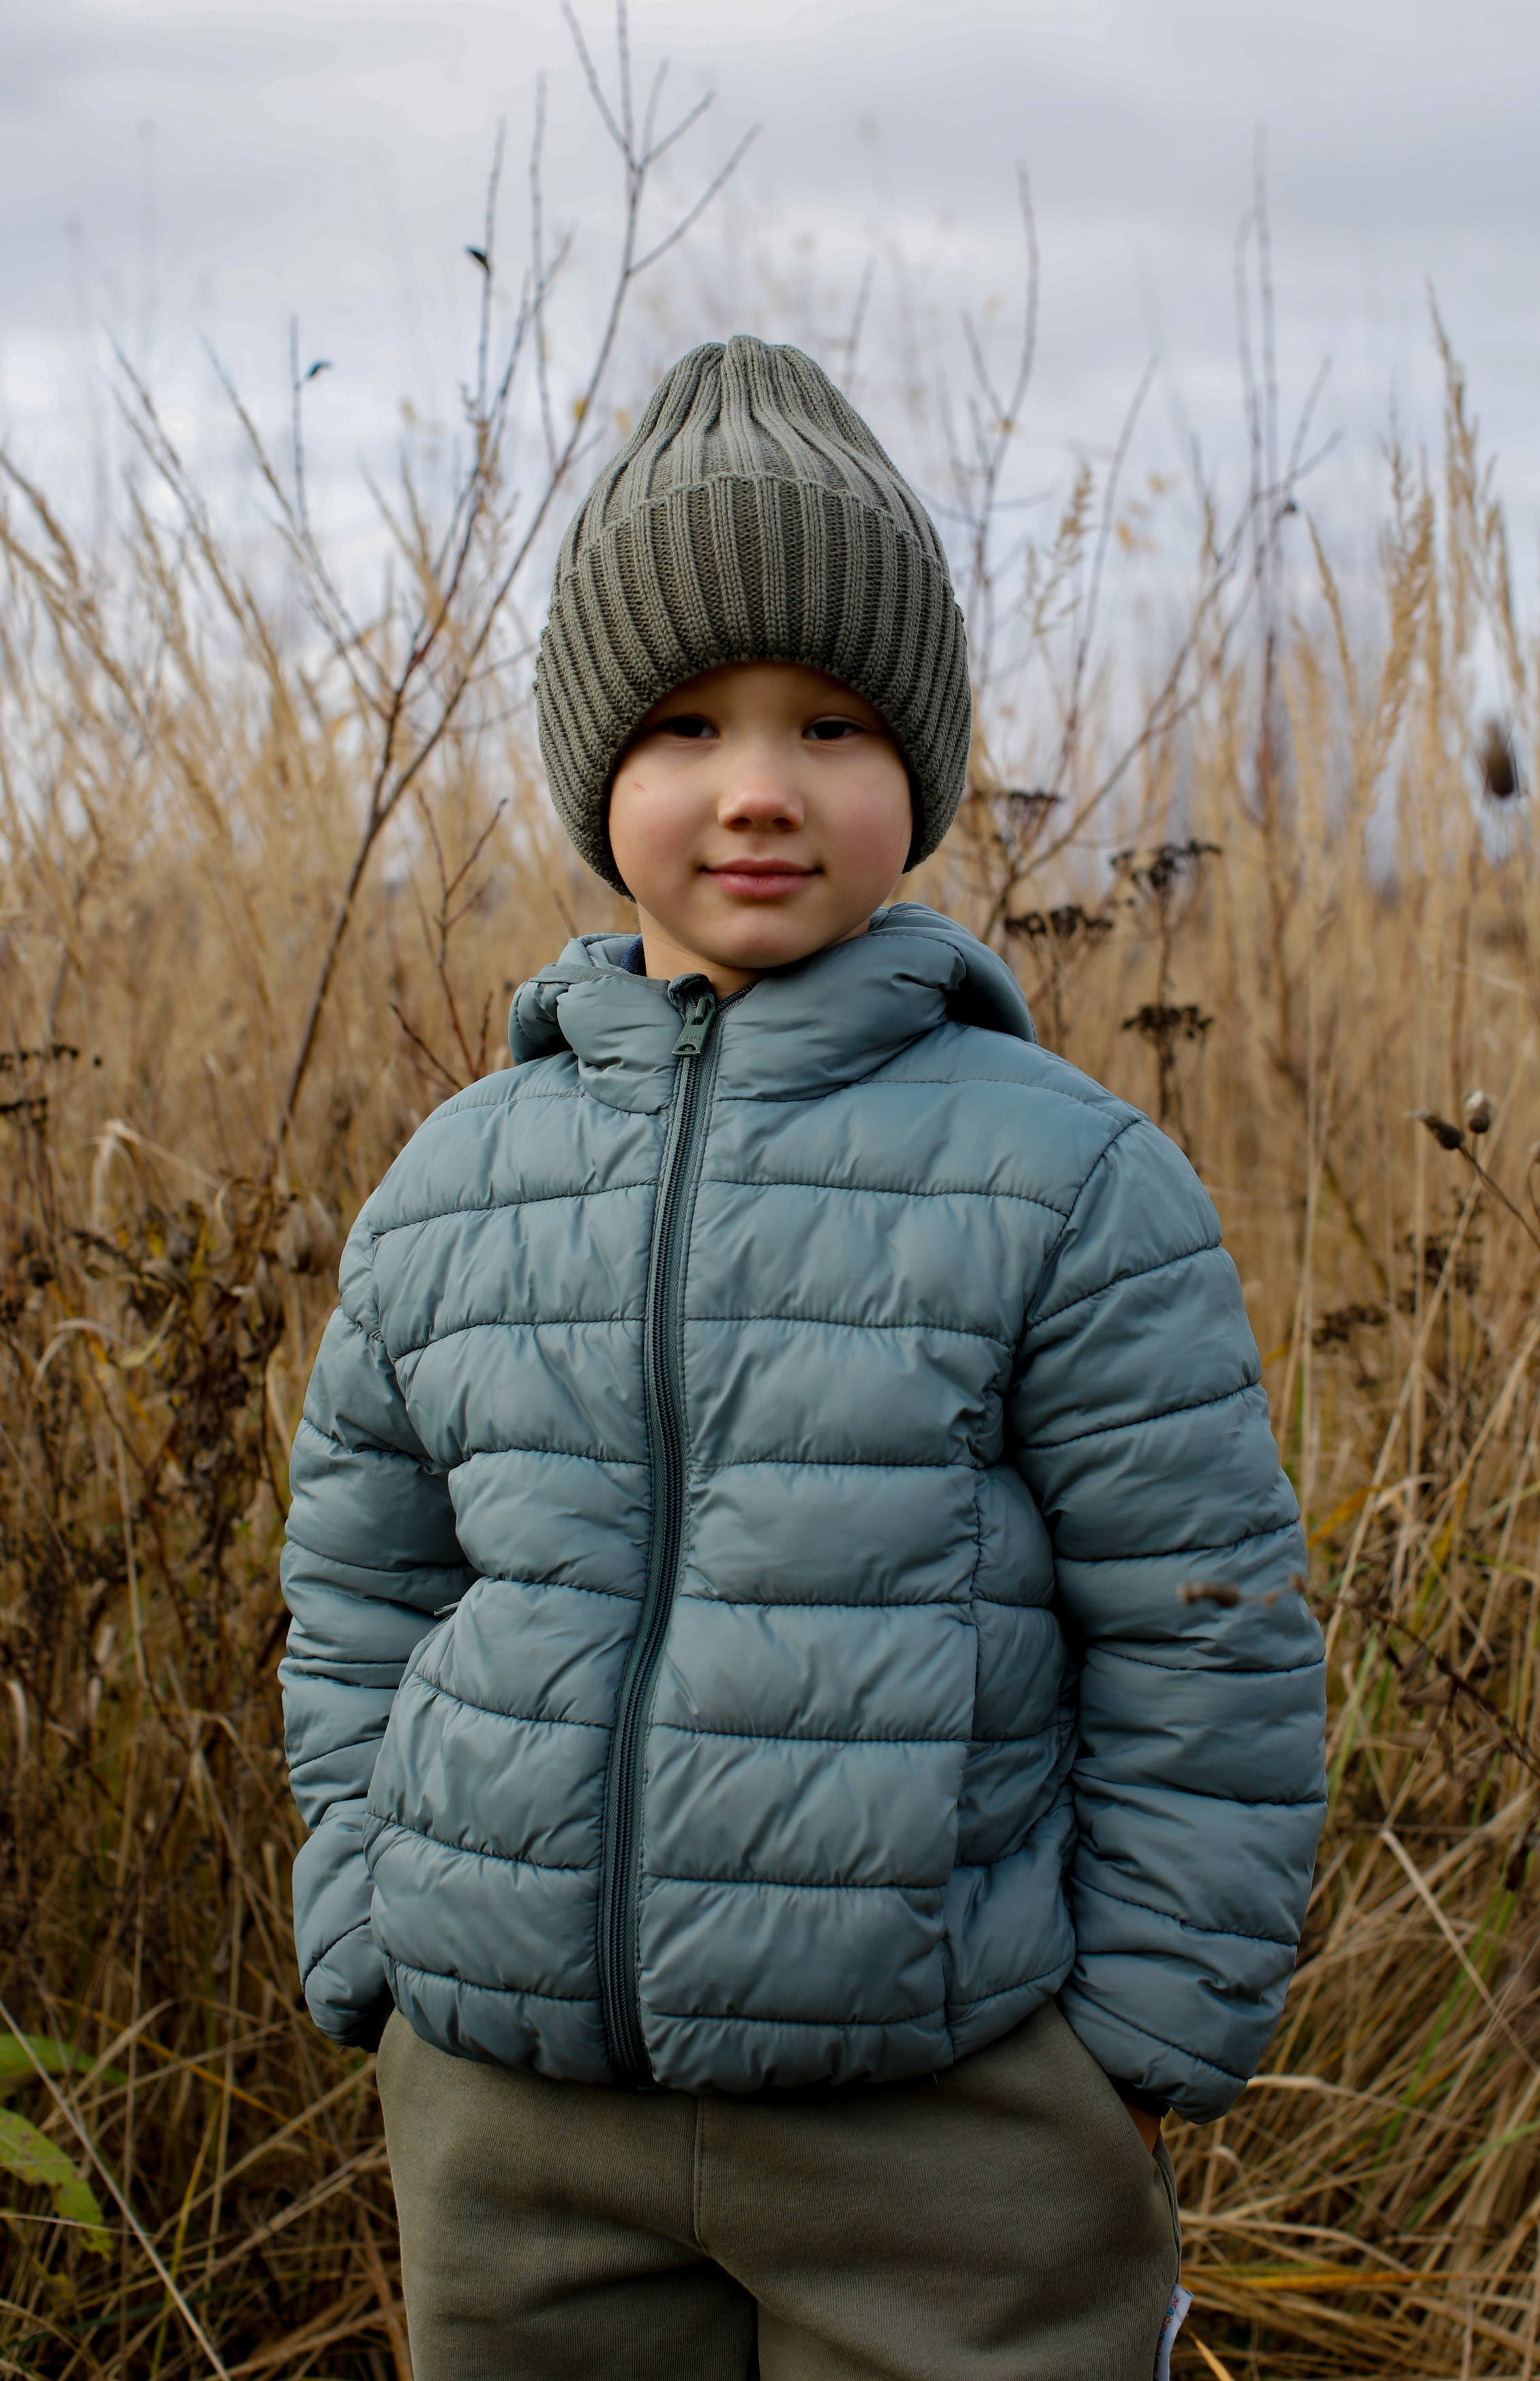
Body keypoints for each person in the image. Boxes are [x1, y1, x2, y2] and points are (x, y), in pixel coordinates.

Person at [280, 335, 1326, 2381]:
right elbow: (362, 1591)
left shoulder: (1066, 1177)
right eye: (684, 724)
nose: (757, 784)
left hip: (946, 2116)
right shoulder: (456, 1182)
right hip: (513, 2120)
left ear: (915, 768)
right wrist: (371, 1934)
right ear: (602, 771)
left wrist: (1137, 2052)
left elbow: (1208, 1629)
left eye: (829, 720)